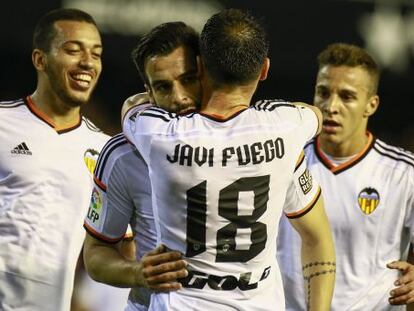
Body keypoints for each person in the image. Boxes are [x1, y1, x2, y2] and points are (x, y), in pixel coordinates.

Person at [122, 9, 335, 310]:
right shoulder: (286, 132)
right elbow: (314, 114)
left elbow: (130, 109)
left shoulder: (159, 135)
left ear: (200, 66)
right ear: (264, 70)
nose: (179, 96)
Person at [277, 43, 414, 310]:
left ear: (371, 105)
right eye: (323, 93)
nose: (331, 106)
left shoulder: (404, 174)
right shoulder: (283, 160)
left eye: (347, 96)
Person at [82, 21, 200, 310]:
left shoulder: (254, 140)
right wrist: (138, 272)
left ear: (206, 72)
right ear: (148, 91)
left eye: (188, 79)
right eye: (163, 86)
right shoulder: (122, 155)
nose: (179, 97)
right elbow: (96, 253)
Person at [0, 8, 111, 311]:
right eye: (73, 50)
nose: (87, 62)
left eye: (96, 54)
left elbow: (117, 244)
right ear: (40, 59)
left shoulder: (105, 151)